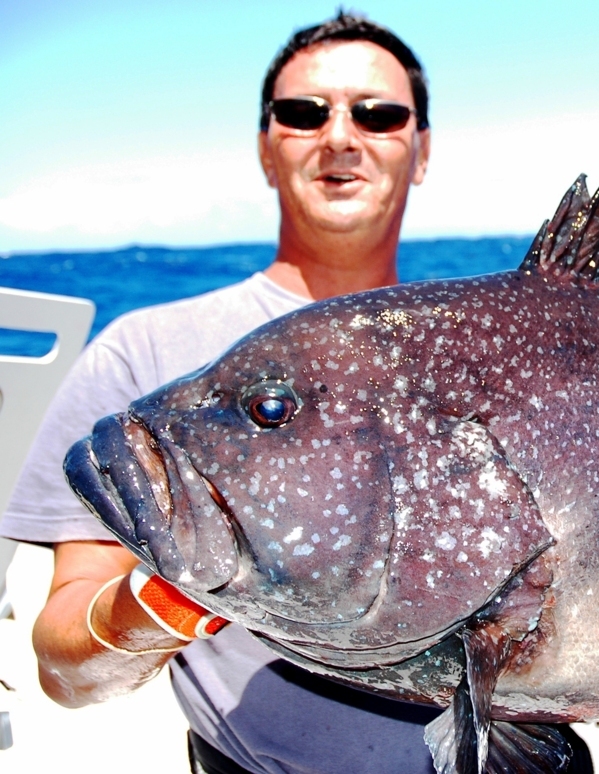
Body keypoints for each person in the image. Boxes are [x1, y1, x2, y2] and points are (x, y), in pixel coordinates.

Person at [0, 11, 451, 774]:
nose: (340, 136)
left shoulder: (476, 348)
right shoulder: (143, 357)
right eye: (304, 114)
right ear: (266, 150)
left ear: (422, 149)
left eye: (378, 114)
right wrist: (158, 606)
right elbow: (64, 664)